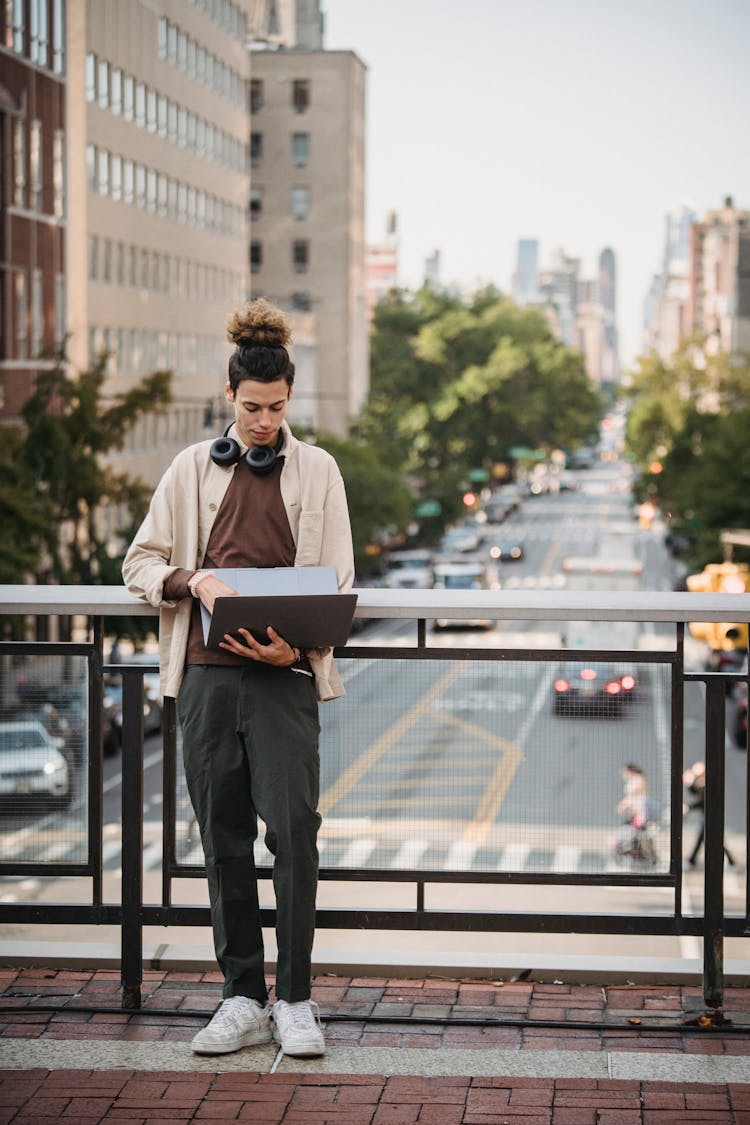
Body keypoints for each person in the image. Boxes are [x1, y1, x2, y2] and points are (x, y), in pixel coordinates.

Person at [123, 298, 354, 1058]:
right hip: (207, 684)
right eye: (251, 409)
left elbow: (340, 580)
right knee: (222, 840)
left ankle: (295, 1000)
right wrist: (194, 581)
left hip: (285, 681)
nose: (263, 423)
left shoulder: (319, 469)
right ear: (230, 399)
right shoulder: (190, 468)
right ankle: (241, 996)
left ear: (291, 400)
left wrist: (294, 652)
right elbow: (139, 563)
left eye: (277, 409)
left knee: (294, 835)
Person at [683, 761, 736, 869]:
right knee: (710, 839)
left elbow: (702, 801)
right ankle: (731, 861)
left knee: (707, 839)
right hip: (708, 817)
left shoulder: (707, 784)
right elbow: (696, 792)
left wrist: (688, 807)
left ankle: (692, 861)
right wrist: (688, 784)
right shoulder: (702, 782)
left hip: (711, 817)